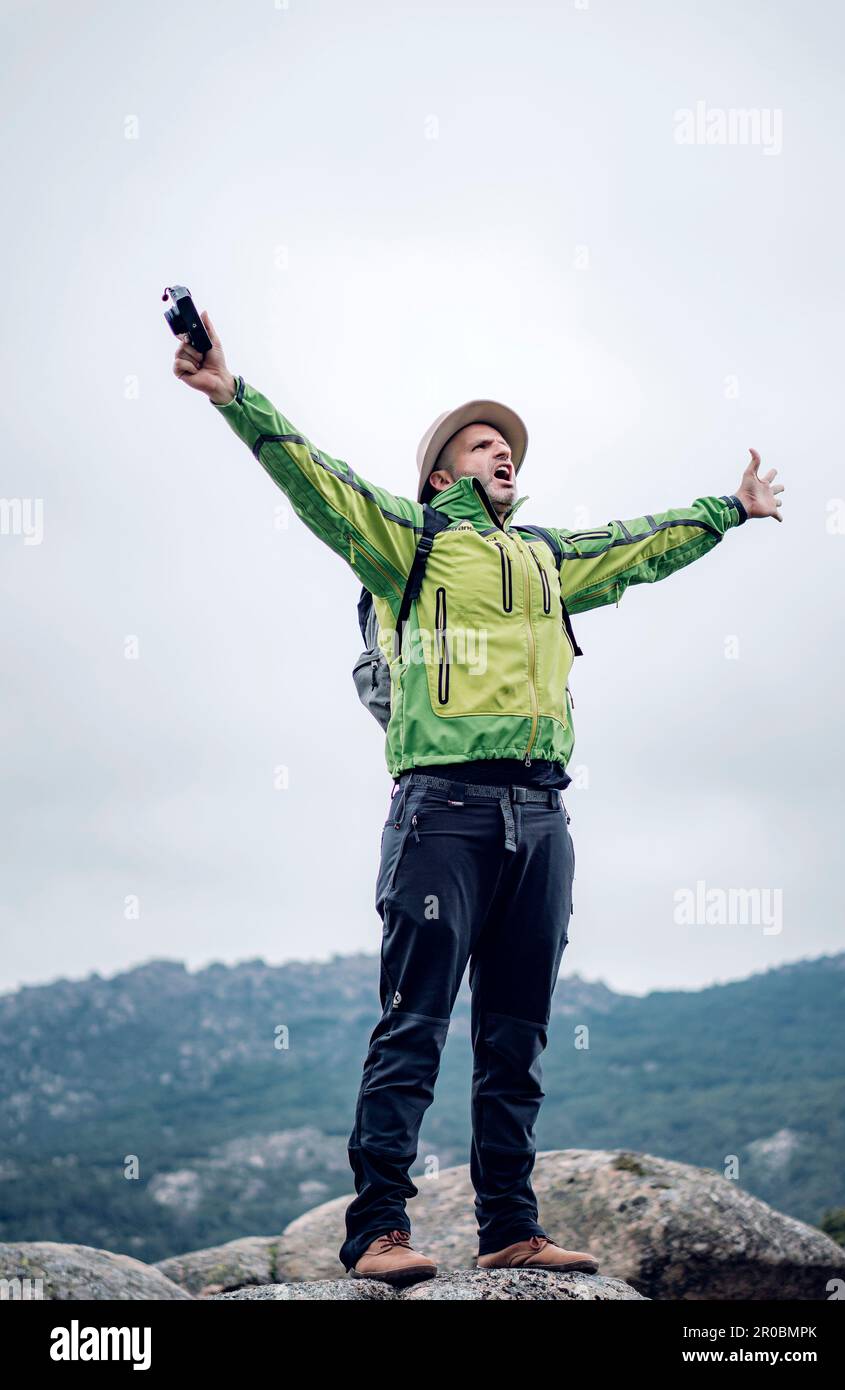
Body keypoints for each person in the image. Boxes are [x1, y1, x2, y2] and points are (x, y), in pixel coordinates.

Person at [172, 309, 784, 1286]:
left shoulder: (545, 556)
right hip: (441, 813)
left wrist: (731, 507)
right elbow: (315, 479)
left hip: (543, 817)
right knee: (414, 1024)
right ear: (444, 474)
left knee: (516, 1035)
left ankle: (509, 1224)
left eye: (510, 446)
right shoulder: (408, 544)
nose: (505, 453)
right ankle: (378, 1229)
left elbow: (639, 545)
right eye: (483, 443)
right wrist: (234, 395)